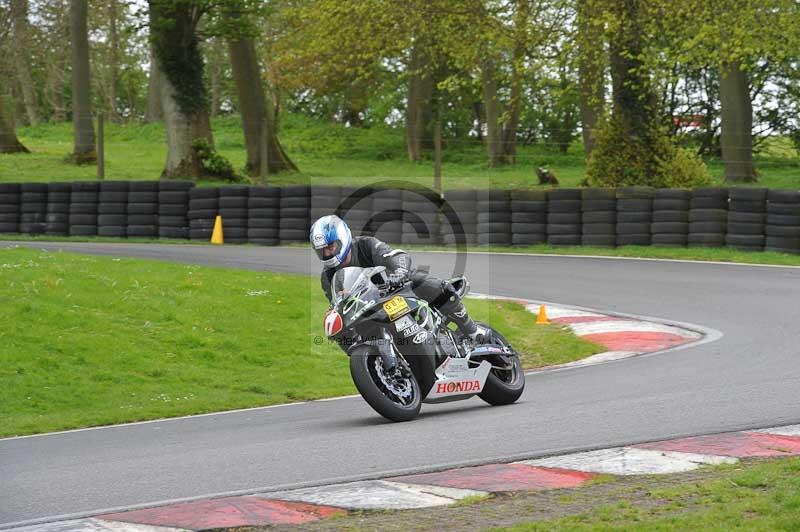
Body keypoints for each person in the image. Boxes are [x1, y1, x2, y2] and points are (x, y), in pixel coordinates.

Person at [310, 214, 481, 342]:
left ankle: (473, 331)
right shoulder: (327, 277)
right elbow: (339, 305)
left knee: (420, 280)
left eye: (330, 247)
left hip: (397, 290)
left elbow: (396, 256)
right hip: (371, 311)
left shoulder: (365, 245)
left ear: (342, 239)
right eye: (322, 250)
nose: (327, 253)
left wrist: (399, 273)